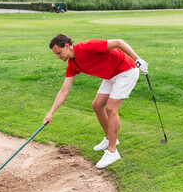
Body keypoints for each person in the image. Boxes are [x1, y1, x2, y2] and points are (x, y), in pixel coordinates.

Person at [43, 34, 148, 168]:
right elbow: (64, 91)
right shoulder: (72, 64)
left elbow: (118, 42)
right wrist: (50, 113)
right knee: (97, 105)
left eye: (59, 53)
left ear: (67, 46)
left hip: (126, 70)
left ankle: (112, 152)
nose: (58, 57)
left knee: (111, 108)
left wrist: (137, 59)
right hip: (111, 75)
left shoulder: (88, 46)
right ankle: (110, 138)